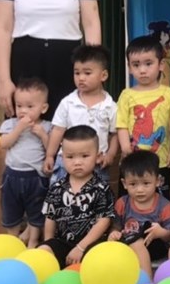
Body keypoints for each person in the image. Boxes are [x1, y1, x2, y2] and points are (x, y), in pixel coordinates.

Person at [38, 125, 115, 267]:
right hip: (63, 243)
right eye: (70, 157)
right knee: (43, 251)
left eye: (85, 156)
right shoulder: (56, 188)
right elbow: (50, 218)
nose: (77, 162)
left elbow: (103, 221)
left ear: (98, 156)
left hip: (91, 245)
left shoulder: (102, 189)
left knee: (101, 260)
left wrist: (80, 247)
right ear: (62, 158)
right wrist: (49, 242)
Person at [43, 44, 118, 184]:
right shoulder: (67, 102)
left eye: (87, 73)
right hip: (67, 163)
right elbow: (57, 130)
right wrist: (50, 155)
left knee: (95, 196)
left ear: (103, 75)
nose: (81, 78)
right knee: (62, 195)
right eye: (77, 73)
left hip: (96, 163)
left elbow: (114, 134)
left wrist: (110, 155)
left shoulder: (111, 106)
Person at [116, 35, 170, 193]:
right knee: (129, 198)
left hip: (160, 161)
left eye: (148, 63)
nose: (142, 70)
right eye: (136, 65)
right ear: (129, 67)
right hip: (132, 160)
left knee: (160, 198)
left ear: (161, 65)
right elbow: (121, 124)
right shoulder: (126, 95)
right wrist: (125, 148)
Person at [0, 78, 53, 248]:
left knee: (36, 211)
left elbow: (51, 149)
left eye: (30, 106)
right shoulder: (10, 124)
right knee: (11, 210)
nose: (23, 111)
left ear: (43, 108)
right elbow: (4, 143)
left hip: (36, 177)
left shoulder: (47, 126)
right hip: (12, 175)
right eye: (19, 106)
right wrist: (19, 128)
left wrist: (43, 135)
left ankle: (33, 241)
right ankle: (13, 240)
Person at [110, 151, 170, 278]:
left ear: (158, 181)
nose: (140, 190)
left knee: (137, 239)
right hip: (128, 247)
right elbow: (115, 227)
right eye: (133, 184)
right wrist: (114, 233)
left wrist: (161, 232)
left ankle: (147, 282)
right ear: (124, 184)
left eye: (146, 183)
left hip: (155, 246)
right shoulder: (122, 203)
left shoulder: (165, 206)